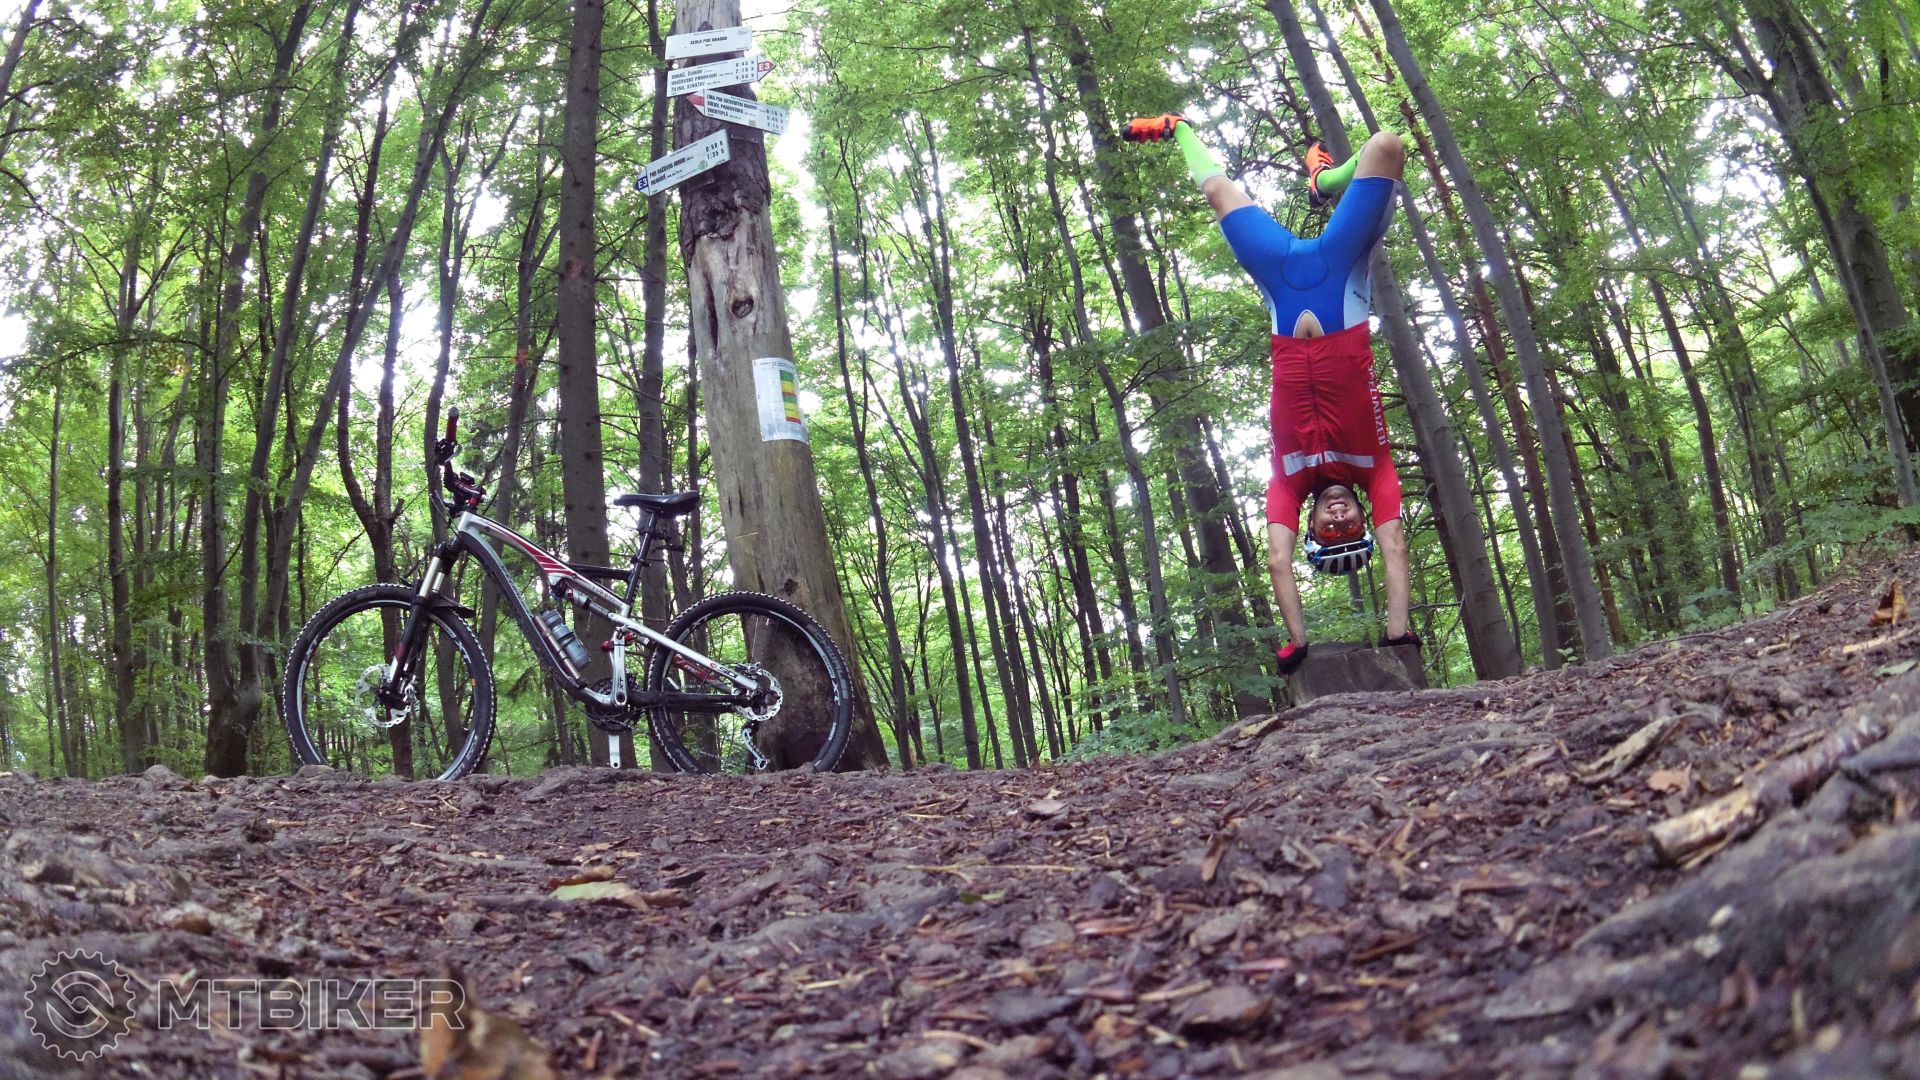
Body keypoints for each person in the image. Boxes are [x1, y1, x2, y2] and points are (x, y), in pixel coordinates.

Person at [1121, 113, 1416, 674]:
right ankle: (1325, 182)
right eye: (1350, 528)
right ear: (1363, 517)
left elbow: (1278, 560)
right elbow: (1396, 543)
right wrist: (1398, 636)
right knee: (1385, 145)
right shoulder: (1376, 467)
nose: (1338, 518)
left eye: (1329, 530)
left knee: (1216, 191)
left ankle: (1177, 126)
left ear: (1311, 529)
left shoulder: (1288, 479)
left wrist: (1298, 642)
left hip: (1281, 279)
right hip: (1340, 265)